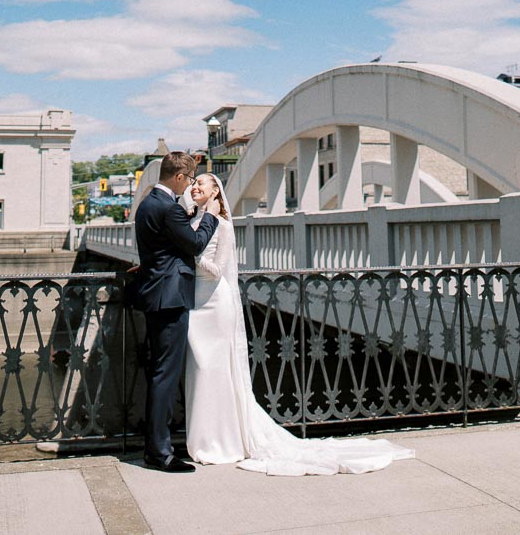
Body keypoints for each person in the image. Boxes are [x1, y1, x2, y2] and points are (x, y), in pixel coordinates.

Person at [184, 172, 416, 475]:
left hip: (216, 304)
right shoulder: (192, 221)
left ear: (216, 191)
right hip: (195, 305)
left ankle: (223, 441)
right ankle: (204, 439)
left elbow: (216, 270)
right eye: (193, 183)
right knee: (200, 372)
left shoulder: (224, 226)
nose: (195, 187)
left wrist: (189, 255)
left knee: (216, 371)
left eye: (201, 183)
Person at [128, 151, 220, 473]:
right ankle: (160, 451)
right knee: (165, 374)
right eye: (189, 179)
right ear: (179, 177)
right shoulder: (168, 209)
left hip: (155, 294)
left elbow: (161, 247)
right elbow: (194, 244)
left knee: (160, 371)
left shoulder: (147, 204)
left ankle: (156, 445)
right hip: (170, 299)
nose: (190, 185)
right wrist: (210, 215)